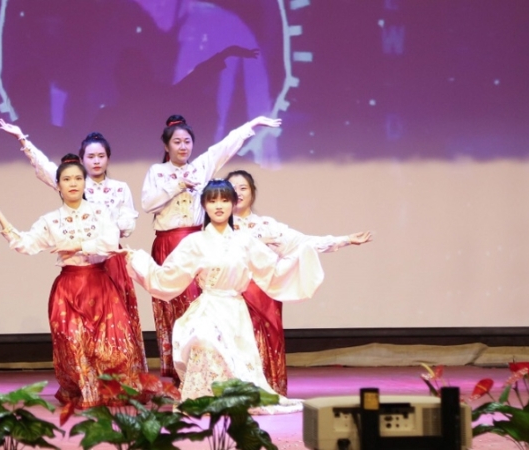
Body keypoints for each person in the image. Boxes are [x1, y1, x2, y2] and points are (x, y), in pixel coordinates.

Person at [125, 179, 324, 412]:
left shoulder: (245, 241)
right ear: (204, 206)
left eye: (224, 200)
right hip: (208, 306)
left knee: (237, 363)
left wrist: (304, 251)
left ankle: (230, 397)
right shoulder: (195, 242)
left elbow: (273, 271)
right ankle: (206, 396)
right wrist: (135, 258)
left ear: (232, 204)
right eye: (212, 201)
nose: (218, 206)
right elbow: (167, 277)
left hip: (235, 311)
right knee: (203, 340)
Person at [0, 154, 146, 408]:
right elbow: (25, 244)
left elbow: (110, 242)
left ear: (85, 183)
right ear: (58, 185)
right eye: (67, 179)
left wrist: (77, 245)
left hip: (100, 284)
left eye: (78, 178)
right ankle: (88, 392)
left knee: (113, 344)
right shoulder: (51, 220)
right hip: (69, 288)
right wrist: (1, 218)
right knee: (74, 343)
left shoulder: (100, 212)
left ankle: (112, 390)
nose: (73, 183)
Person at [0, 119, 147, 371]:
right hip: (78, 268)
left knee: (116, 323)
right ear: (82, 160)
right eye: (91, 156)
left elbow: (126, 225)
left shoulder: (119, 189)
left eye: (101, 156)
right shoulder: (75, 183)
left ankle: (124, 371)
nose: (96, 161)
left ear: (108, 158)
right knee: (80, 332)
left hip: (110, 257)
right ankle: (88, 376)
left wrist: (89, 240)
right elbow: (46, 167)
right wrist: (23, 140)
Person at [141, 114, 281, 381]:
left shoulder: (200, 167)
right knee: (169, 303)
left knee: (195, 306)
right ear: (166, 145)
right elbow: (148, 204)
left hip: (196, 242)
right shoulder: (156, 172)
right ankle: (176, 370)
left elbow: (224, 147)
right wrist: (178, 184)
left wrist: (250, 125)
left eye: (187, 141)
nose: (183, 146)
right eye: (177, 142)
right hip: (167, 242)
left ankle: (203, 369)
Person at [226, 170, 373, 395]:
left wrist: (344, 240)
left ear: (252, 193)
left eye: (243, 188)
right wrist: (255, 242)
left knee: (266, 340)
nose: (238, 192)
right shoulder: (219, 226)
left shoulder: (267, 225)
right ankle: (234, 392)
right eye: (232, 188)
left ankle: (267, 391)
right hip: (232, 293)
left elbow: (303, 243)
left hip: (265, 294)